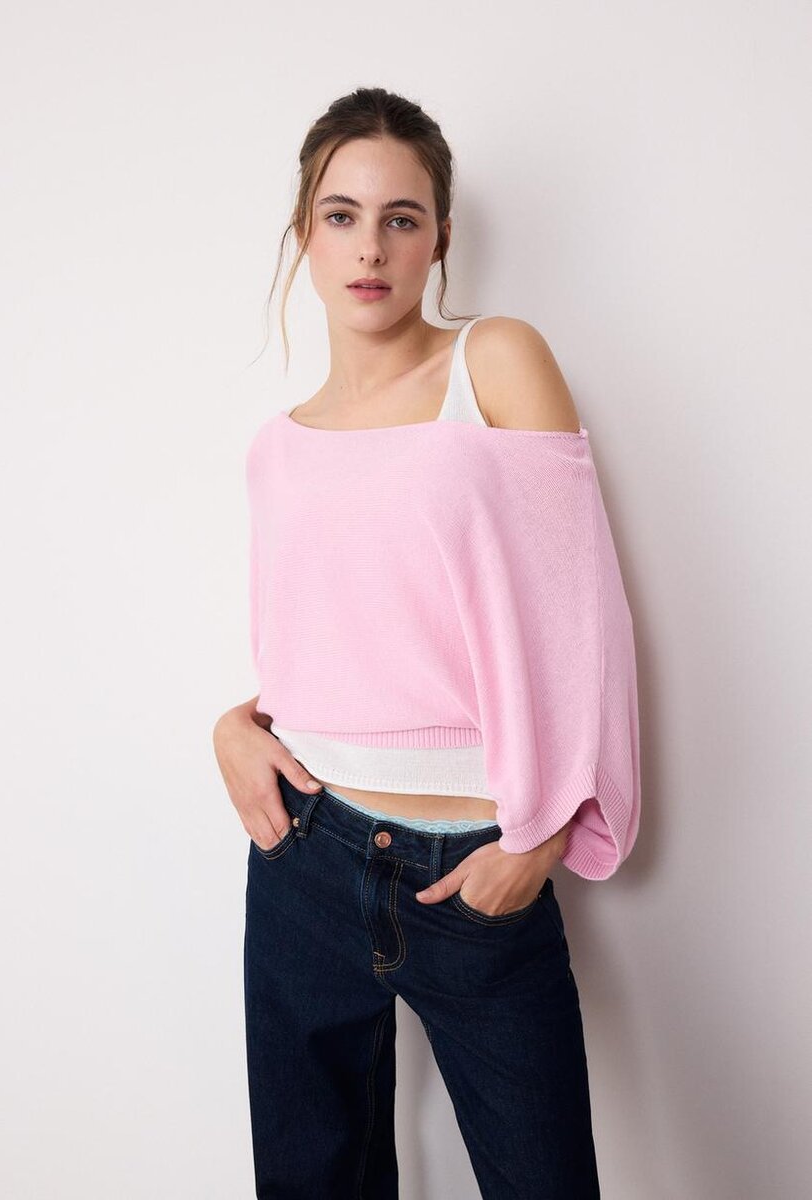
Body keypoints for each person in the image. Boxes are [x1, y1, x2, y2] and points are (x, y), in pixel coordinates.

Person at [213, 86, 641, 1200]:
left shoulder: (491, 361)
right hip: (303, 860)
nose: (371, 246)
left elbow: (584, 611)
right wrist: (232, 726)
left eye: (400, 218)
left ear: (439, 238)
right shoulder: (275, 447)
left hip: (472, 869)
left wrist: (543, 834)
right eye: (342, 215)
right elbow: (325, 648)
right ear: (305, 233)